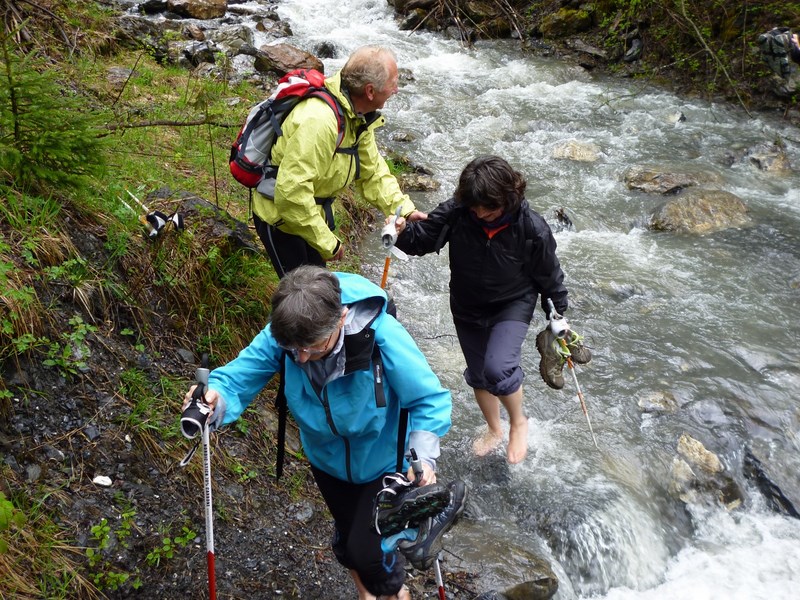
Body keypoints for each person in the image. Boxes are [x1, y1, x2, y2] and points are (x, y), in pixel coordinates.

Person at [182, 266, 452, 600]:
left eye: (312, 347)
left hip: (384, 459)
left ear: (341, 318)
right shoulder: (287, 336)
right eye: (294, 350)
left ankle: (395, 591)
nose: (302, 357)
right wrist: (215, 398)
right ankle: (367, 594)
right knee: (347, 539)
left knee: (368, 549)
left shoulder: (381, 335)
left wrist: (423, 456)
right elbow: (239, 376)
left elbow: (427, 398)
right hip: (326, 460)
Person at [393, 155, 590, 465]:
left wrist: (558, 313)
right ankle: (494, 429)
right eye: (476, 207)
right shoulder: (458, 212)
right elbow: (423, 241)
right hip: (466, 303)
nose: (481, 213)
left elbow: (549, 275)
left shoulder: (531, 227)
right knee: (480, 373)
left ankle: (518, 423)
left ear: (508, 198)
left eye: (489, 207)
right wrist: (401, 232)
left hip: (512, 303)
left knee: (498, 367)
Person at [251, 45, 427, 278]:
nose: (396, 89)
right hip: (281, 218)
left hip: (308, 215)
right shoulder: (319, 121)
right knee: (304, 301)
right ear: (370, 91)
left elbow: (372, 172)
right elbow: (291, 194)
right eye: (393, 83)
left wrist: (403, 210)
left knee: (318, 294)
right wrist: (328, 243)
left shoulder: (356, 116)